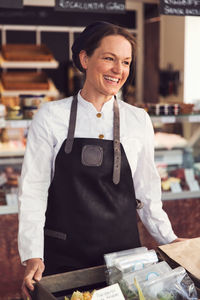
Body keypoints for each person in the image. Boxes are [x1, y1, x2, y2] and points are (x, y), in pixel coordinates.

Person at [18, 21, 184, 299]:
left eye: (126, 62)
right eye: (109, 58)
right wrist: (32, 255)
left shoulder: (138, 120)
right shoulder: (50, 116)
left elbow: (147, 194)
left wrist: (170, 240)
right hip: (63, 258)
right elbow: (33, 192)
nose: (119, 70)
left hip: (124, 259)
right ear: (84, 59)